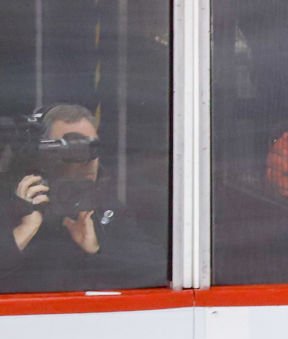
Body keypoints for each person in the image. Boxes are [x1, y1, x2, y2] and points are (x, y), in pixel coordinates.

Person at [0, 104, 165, 292]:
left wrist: (97, 250)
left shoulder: (103, 209)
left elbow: (160, 270)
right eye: (73, 147)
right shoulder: (11, 207)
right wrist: (23, 231)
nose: (89, 158)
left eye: (94, 147)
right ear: (43, 155)